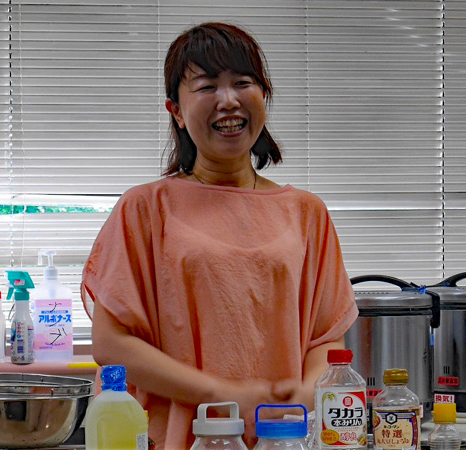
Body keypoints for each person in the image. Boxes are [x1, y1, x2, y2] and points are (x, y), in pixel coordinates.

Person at [81, 22, 357, 450]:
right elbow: (112, 344)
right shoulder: (145, 208)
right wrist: (222, 396)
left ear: (263, 95)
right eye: (207, 87)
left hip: (280, 435)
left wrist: (306, 394)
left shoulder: (307, 212)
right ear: (176, 110)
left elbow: (326, 339)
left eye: (242, 83)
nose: (228, 100)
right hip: (178, 436)